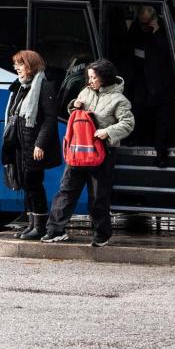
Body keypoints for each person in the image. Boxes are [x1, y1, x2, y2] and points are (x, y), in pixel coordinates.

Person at [44, 59, 135, 247]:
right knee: (66, 190)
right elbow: (76, 115)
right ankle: (55, 230)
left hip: (104, 152)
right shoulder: (85, 91)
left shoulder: (119, 100)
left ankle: (101, 235)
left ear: (104, 78)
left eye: (94, 77)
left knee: (98, 195)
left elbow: (128, 124)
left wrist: (107, 132)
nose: (90, 80)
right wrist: (73, 106)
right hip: (80, 149)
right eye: (89, 76)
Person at [4, 50, 61, 240]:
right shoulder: (21, 88)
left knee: (34, 185)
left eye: (20, 65)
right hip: (21, 145)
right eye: (16, 65)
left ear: (30, 66)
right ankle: (31, 225)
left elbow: (50, 120)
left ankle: (40, 227)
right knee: (25, 185)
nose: (17, 69)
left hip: (34, 146)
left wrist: (40, 144)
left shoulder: (44, 87)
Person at [123, 5, 175, 161]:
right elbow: (128, 47)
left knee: (163, 118)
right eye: (142, 23)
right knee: (138, 112)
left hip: (160, 83)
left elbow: (167, 53)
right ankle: (135, 139)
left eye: (147, 23)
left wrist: (156, 33)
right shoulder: (135, 30)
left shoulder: (162, 31)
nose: (144, 26)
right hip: (140, 81)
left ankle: (161, 150)